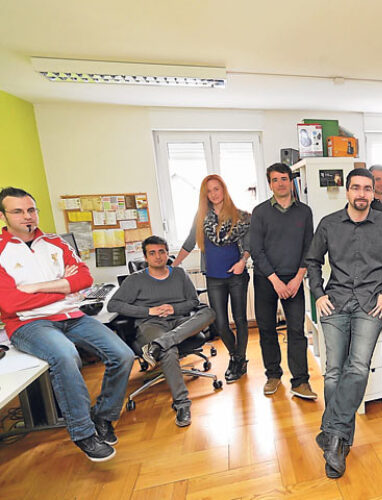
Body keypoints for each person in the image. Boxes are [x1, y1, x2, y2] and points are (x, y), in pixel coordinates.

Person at [0, 186, 134, 462]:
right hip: (29, 324)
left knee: (122, 354)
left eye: (31, 210)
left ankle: (102, 416)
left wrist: (34, 288)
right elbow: (10, 303)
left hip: (71, 316)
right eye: (18, 211)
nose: (27, 216)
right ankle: (83, 432)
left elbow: (84, 280)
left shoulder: (56, 243)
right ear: (4, 216)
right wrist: (63, 287)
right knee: (65, 355)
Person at [305, 168, 382, 479]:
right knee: (333, 372)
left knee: (359, 367)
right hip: (335, 301)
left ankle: (332, 435)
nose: (362, 194)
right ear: (347, 191)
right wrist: (318, 294)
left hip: (371, 303)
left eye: (367, 188)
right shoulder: (329, 224)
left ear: (373, 192)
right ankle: (338, 440)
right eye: (356, 188)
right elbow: (312, 261)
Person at [108, 236, 215, 428]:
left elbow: (193, 302)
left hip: (179, 322)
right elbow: (113, 305)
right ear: (145, 257)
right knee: (169, 350)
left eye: (161, 252)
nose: (157, 256)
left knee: (208, 312)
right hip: (151, 324)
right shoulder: (135, 280)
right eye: (152, 253)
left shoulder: (180, 274)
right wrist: (149, 311)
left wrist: (174, 309)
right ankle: (182, 404)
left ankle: (159, 344)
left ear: (167, 253)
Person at [171, 175, 251, 384]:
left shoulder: (241, 216)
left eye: (217, 189)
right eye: (209, 191)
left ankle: (239, 360)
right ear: (205, 195)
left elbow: (250, 245)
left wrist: (243, 261)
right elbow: (189, 243)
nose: (214, 194)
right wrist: (174, 265)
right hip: (214, 277)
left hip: (237, 276)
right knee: (221, 323)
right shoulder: (201, 217)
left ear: (223, 190)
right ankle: (235, 355)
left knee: (240, 319)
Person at [250, 163, 316, 399]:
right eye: (275, 180)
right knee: (267, 329)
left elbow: (309, 246)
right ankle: (273, 375)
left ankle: (300, 382)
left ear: (291, 181)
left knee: (297, 330)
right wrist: (275, 281)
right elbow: (256, 250)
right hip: (266, 279)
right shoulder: (260, 212)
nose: (280, 183)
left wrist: (298, 277)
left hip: (294, 280)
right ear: (270, 184)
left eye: (284, 179)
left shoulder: (304, 212)